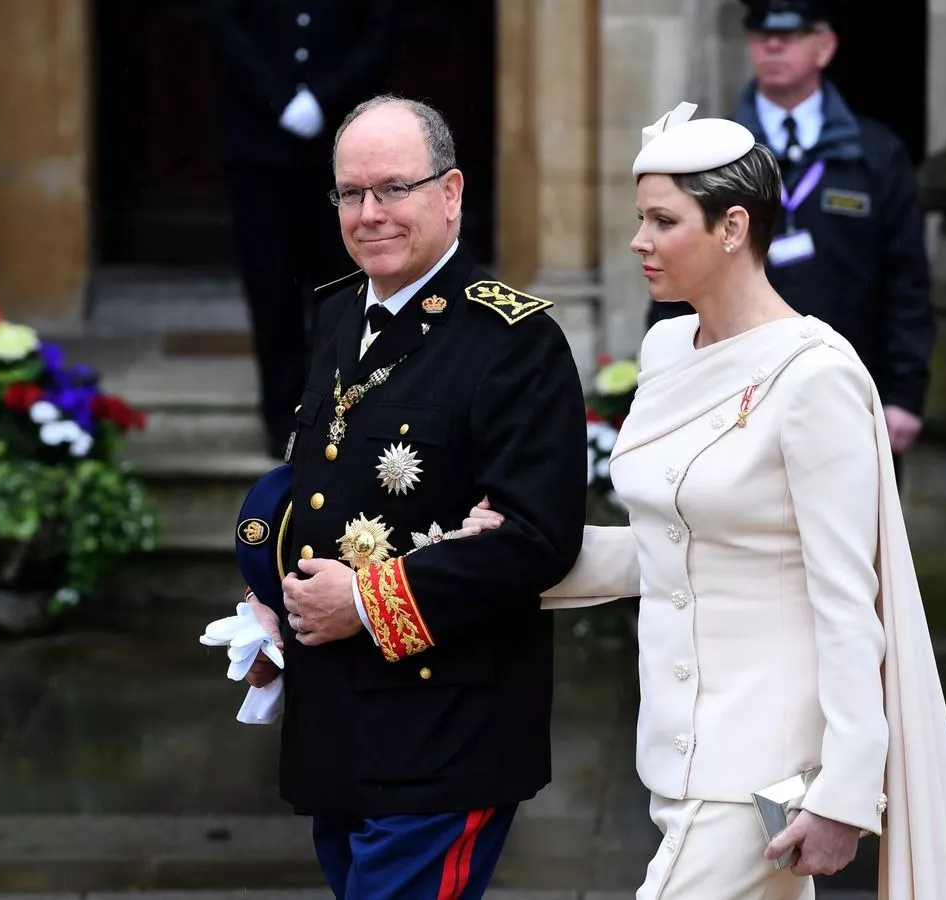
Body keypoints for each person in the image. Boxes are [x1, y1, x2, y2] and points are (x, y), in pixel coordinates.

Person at [464, 104, 946, 899]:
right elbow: (667, 546)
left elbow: (851, 602)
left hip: (766, 765)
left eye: (662, 220)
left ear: (732, 226)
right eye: (639, 218)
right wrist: (510, 555)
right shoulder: (666, 345)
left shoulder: (817, 375)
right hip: (677, 748)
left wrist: (846, 793)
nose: (639, 241)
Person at [239, 95, 587, 899]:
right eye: (351, 194)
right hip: (340, 725)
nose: (370, 214)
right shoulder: (336, 312)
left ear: (452, 192)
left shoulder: (513, 340)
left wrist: (363, 602)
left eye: (394, 188)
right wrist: (270, 604)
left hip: (446, 730)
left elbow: (538, 536)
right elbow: (322, 486)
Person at [647, 0, 934, 463]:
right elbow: (674, 256)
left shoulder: (875, 153)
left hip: (850, 388)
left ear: (825, 47)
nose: (774, 45)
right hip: (729, 391)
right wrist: (669, 375)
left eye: (792, 35)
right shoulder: (711, 152)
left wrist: (904, 391)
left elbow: (907, 280)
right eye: (763, 35)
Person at [211, 1, 399, 458]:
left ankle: (338, 415)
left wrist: (324, 97)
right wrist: (279, 98)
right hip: (260, 149)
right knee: (271, 288)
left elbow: (380, 33)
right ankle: (282, 421)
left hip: (344, 152)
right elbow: (227, 30)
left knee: (345, 288)